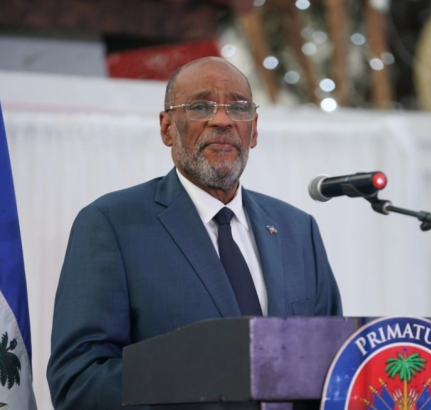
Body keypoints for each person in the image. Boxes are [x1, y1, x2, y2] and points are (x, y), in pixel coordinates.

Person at [47, 57, 343, 410]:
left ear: (254, 129)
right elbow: (79, 381)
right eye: (201, 106)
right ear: (167, 128)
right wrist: (202, 377)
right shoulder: (111, 224)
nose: (222, 120)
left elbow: (334, 364)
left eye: (239, 107)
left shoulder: (298, 229)